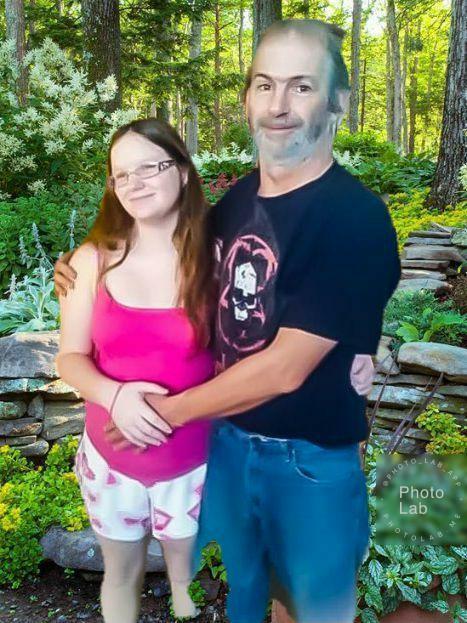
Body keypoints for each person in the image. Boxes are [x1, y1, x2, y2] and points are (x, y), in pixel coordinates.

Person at [53, 19, 397, 623]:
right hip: (228, 447)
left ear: (339, 101)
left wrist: (159, 415)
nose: (279, 105)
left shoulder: (354, 217)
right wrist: (80, 266)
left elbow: (286, 368)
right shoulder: (236, 204)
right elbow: (165, 250)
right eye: (265, 85)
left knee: (312, 606)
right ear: (247, 101)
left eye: (302, 86)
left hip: (305, 457)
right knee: (253, 594)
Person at [56, 118, 216, 622]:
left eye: (150, 167)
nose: (134, 183)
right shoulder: (90, 262)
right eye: (121, 174)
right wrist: (116, 395)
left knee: (187, 581)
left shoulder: (221, 259)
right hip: (111, 462)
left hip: (194, 463)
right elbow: (69, 357)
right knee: (121, 576)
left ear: (183, 172)